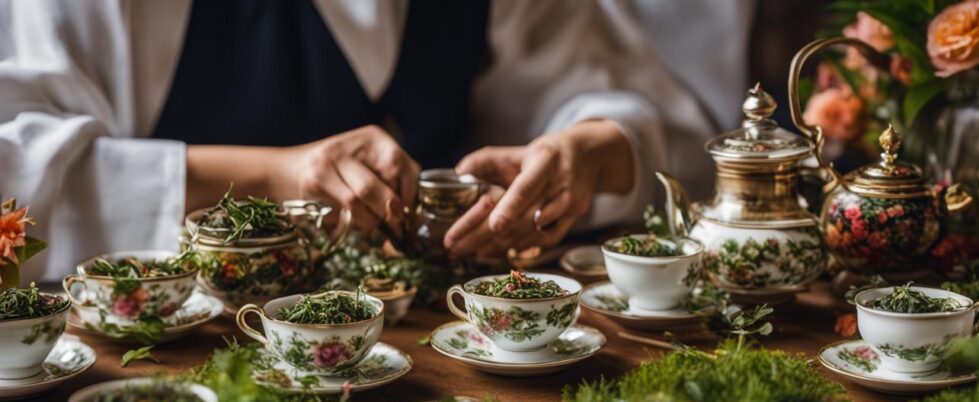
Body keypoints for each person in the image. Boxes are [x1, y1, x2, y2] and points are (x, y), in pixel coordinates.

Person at [0, 0, 738, 282]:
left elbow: (641, 114)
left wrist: (586, 149)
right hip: (164, 379)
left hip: (435, 375)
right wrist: (276, 178)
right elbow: (17, 174)